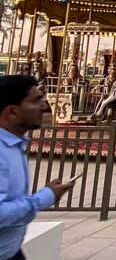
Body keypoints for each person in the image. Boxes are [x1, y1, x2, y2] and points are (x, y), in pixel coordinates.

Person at [0, 75, 74, 260]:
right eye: (36, 101)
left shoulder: (14, 145)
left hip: (12, 251)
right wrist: (44, 197)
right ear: (12, 111)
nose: (44, 106)